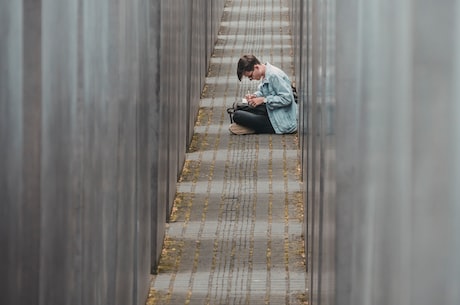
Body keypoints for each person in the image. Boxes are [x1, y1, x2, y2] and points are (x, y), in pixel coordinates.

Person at [229, 54, 298, 135]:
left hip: (281, 121)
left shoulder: (274, 75)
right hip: (272, 111)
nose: (251, 79)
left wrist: (263, 100)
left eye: (250, 76)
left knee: (238, 115)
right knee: (240, 109)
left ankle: (251, 128)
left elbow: (287, 99)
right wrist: (255, 96)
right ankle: (251, 126)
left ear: (256, 67)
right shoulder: (266, 74)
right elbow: (263, 92)